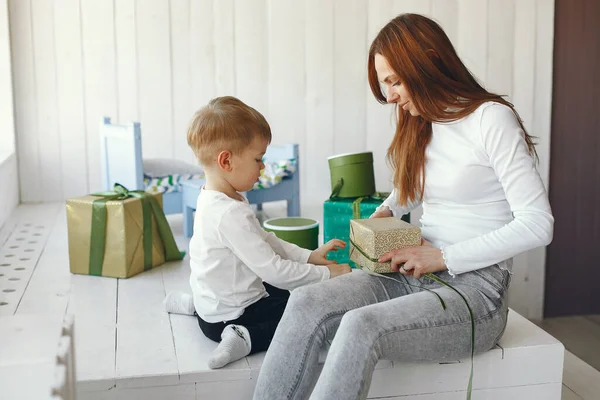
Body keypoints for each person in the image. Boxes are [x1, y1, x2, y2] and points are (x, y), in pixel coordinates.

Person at [253, 13, 553, 400]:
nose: (391, 95)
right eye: (385, 84)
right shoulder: (422, 121)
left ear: (429, 61)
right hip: (413, 268)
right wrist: (390, 209)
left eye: (394, 80)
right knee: (306, 300)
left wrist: (444, 256)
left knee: (361, 326)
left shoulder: (491, 120)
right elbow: (416, 190)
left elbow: (537, 224)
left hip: (477, 290)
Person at [163, 96, 351, 369]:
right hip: (231, 319)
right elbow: (275, 271)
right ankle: (246, 337)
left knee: (286, 288)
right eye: (258, 159)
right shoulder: (229, 213)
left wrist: (309, 257)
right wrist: (327, 274)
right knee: (304, 313)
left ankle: (196, 306)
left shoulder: (216, 197)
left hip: (213, 311)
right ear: (226, 161)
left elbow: (266, 240)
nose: (263, 167)